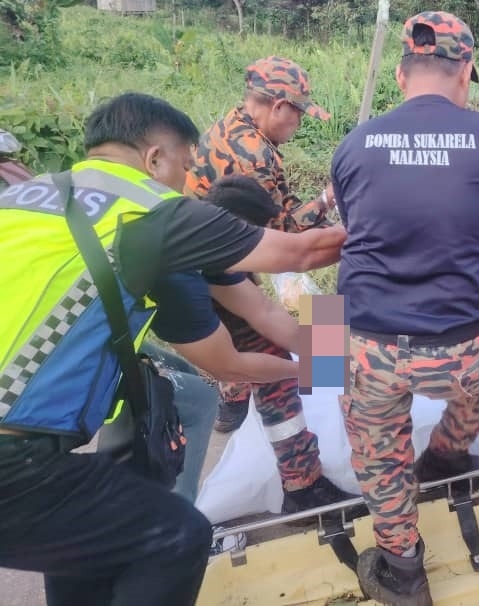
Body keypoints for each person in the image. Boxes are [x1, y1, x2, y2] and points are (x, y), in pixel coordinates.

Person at [0, 92, 346, 606]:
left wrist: (327, 353)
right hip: (15, 454)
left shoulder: (35, 193)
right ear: (154, 158)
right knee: (176, 536)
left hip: (29, 437)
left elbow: (264, 309)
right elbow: (293, 263)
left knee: (92, 541)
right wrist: (318, 367)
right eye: (185, 164)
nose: (187, 179)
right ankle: (292, 478)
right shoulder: (153, 218)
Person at [331, 11, 479, 605]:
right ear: (465, 70)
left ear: (398, 74)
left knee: (377, 447)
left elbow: (352, 228)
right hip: (464, 346)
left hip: (366, 338)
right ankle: (445, 456)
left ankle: (403, 566)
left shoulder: (354, 142)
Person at [185, 55, 338, 435]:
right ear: (279, 105)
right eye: (299, 114)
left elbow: (277, 216)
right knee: (272, 361)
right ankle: (301, 481)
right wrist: (330, 209)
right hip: (212, 265)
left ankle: (233, 402)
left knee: (250, 327)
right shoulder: (253, 155)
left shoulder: (230, 127)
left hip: (215, 258)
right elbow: (285, 241)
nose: (299, 123)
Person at [201, 175, 357, 516]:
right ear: (238, 227)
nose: (260, 239)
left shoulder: (211, 238)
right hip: (130, 349)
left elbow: (264, 311)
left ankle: (234, 404)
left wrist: (325, 355)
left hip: (211, 315)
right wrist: (307, 367)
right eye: (256, 232)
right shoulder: (206, 262)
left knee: (321, 323)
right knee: (274, 374)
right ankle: (303, 488)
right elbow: (231, 361)